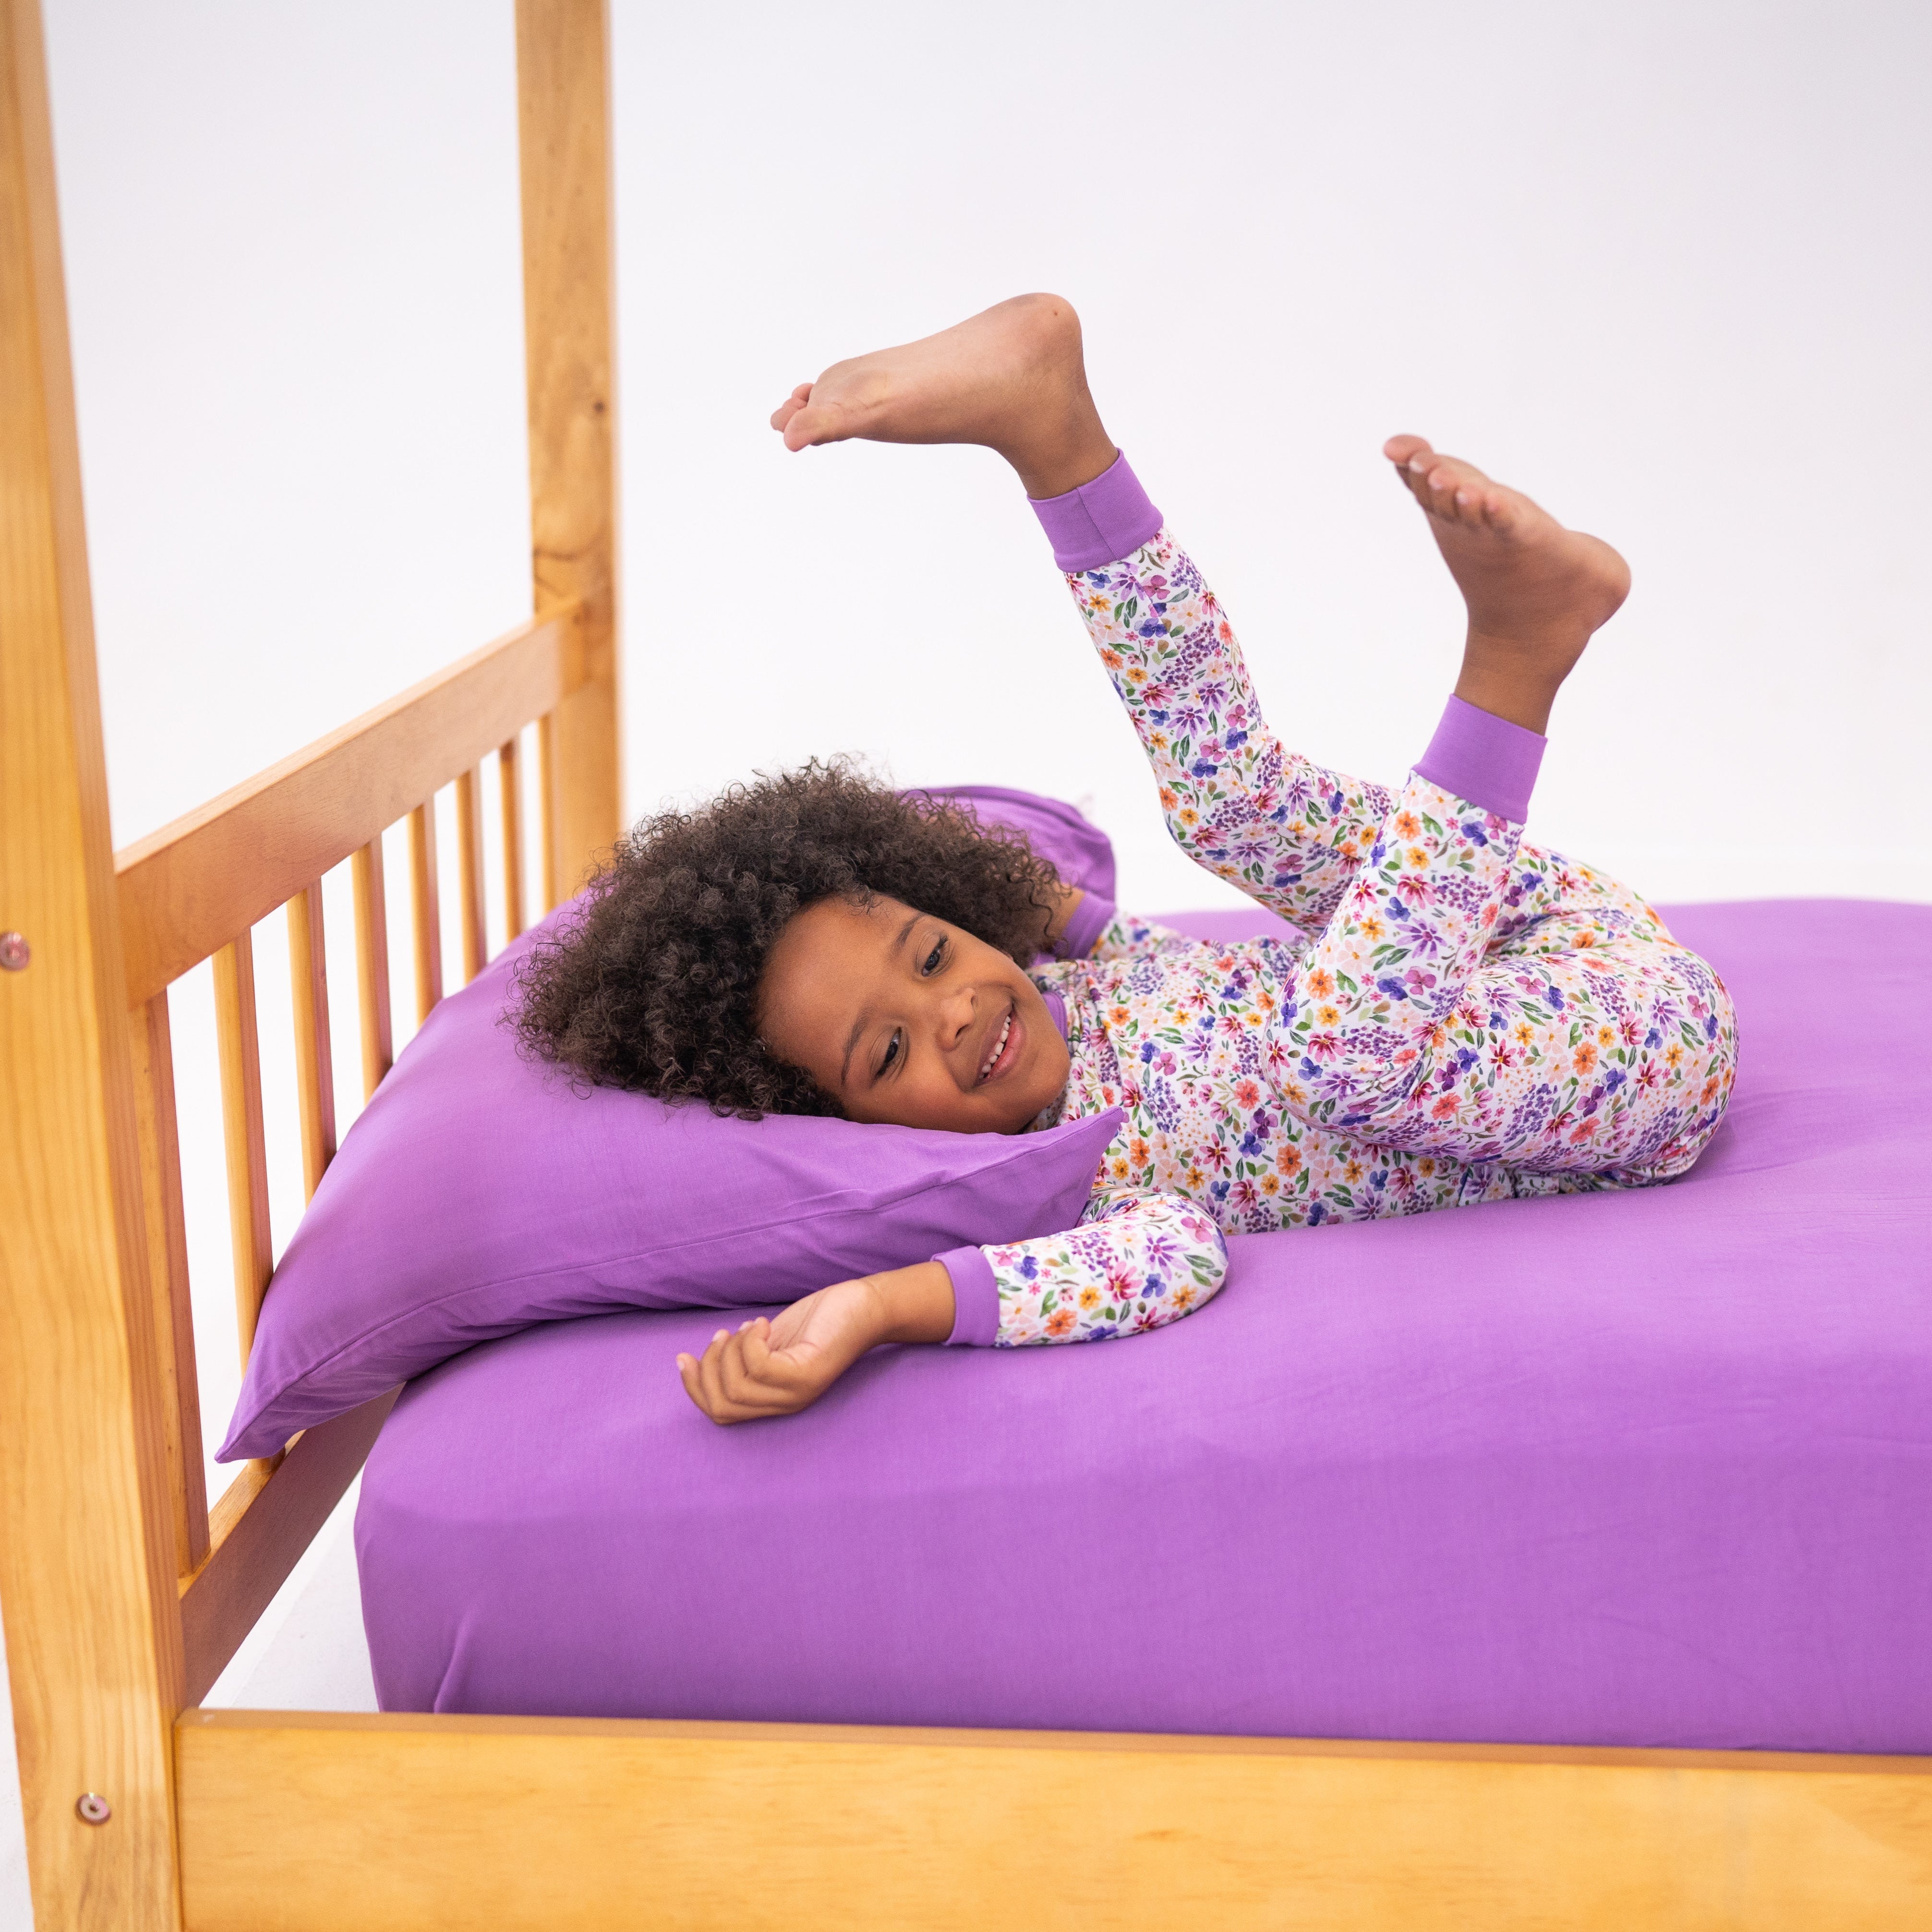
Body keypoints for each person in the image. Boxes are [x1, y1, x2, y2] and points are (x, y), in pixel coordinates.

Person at [513, 294, 1737, 1425]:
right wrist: (881, 1305)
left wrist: (1070, 918)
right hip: (1632, 1071)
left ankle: (1057, 433)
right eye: (884, 1050)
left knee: (1222, 803)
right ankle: (1514, 659)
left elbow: (1153, 964)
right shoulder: (1070, 1184)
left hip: (1546, 939)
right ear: (852, 1129)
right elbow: (1169, 1261)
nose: (952, 1013)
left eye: (933, 953)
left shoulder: (1075, 987)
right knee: (1337, 1049)